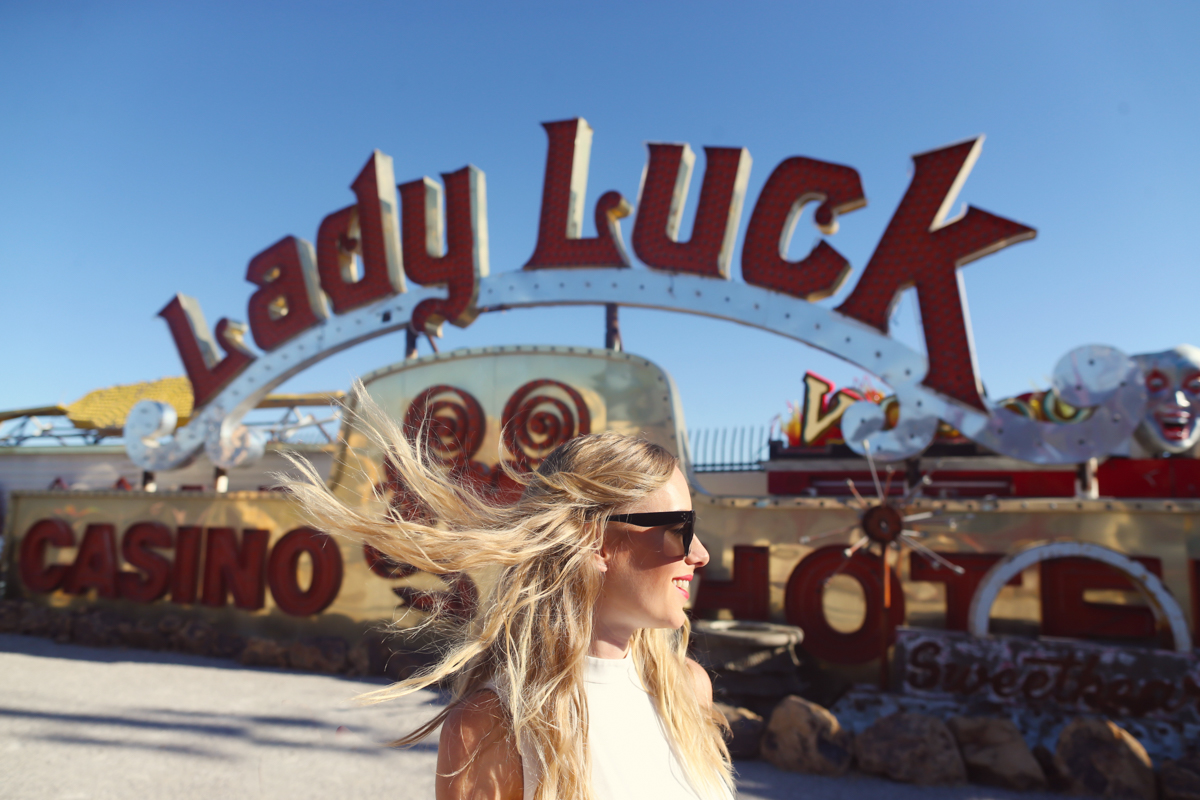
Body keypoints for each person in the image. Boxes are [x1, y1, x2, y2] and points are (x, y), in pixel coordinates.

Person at [288, 396, 735, 800]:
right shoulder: (490, 727)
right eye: (679, 528)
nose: (700, 553)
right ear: (594, 540)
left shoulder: (687, 690)